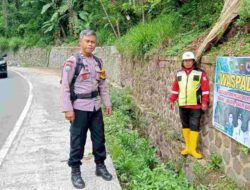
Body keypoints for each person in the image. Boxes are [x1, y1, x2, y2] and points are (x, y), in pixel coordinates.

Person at [60, 29, 113, 189]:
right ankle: (75, 171)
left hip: (96, 107)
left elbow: (102, 84)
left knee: (99, 138)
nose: (90, 44)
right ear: (80, 42)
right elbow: (64, 87)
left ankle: (100, 166)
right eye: (87, 41)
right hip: (79, 109)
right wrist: (67, 109)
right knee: (78, 141)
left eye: (93, 42)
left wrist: (107, 103)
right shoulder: (72, 62)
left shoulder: (98, 62)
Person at [169, 51, 210, 159]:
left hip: (196, 105)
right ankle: (187, 147)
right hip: (182, 105)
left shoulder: (200, 73)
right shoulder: (179, 74)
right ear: (183, 62)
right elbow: (175, 89)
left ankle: (193, 149)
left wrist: (205, 102)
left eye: (189, 60)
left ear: (193, 61)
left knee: (194, 126)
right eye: (185, 61)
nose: (187, 62)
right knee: (185, 126)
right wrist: (172, 100)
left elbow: (205, 90)